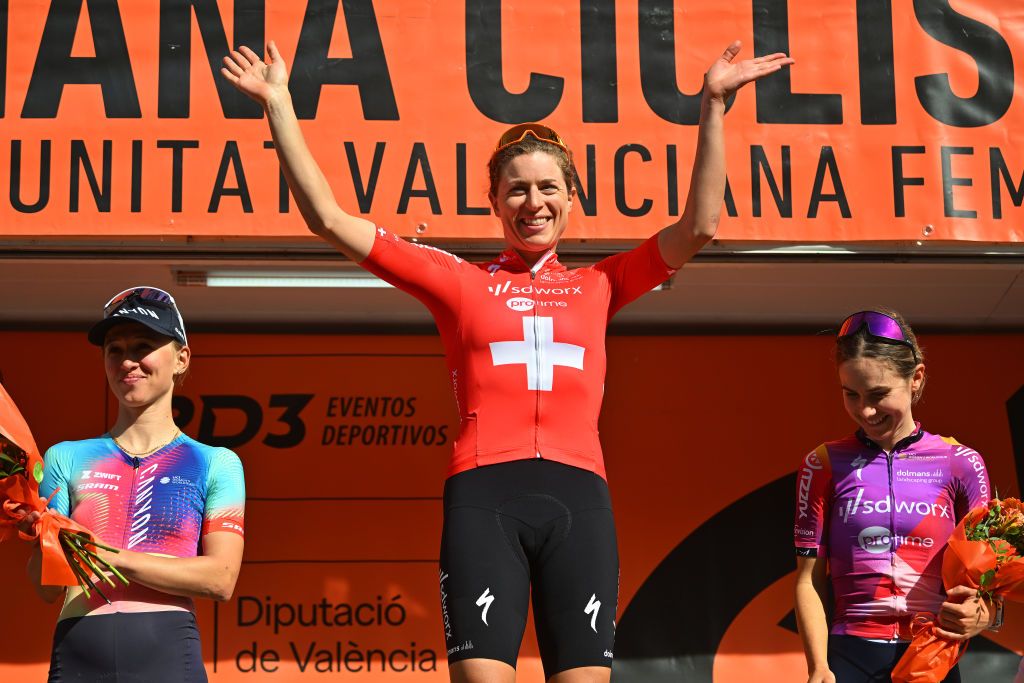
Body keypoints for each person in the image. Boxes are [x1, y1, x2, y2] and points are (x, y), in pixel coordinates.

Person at [222, 40, 792, 682]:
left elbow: (699, 227)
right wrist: (278, 106)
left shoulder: (601, 283)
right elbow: (328, 218)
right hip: (484, 497)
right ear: (493, 201)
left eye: (549, 187)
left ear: (573, 198)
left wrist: (713, 105)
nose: (534, 203)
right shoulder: (459, 281)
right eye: (516, 189)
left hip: (580, 501)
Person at [20, 286, 245, 682]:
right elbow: (48, 589)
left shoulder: (215, 462)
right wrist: (37, 532)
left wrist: (115, 558)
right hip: (78, 650)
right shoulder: (65, 457)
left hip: (167, 651)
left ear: (181, 359)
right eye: (114, 349)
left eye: (143, 345)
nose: (127, 361)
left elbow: (220, 578)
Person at [793, 309, 998, 683]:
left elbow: (987, 582)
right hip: (849, 655)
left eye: (878, 394)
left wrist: (985, 614)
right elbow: (808, 580)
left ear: (916, 378)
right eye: (850, 394)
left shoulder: (961, 463)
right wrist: (818, 667)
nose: (865, 410)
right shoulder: (822, 463)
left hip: (931, 653)